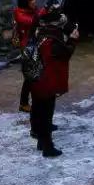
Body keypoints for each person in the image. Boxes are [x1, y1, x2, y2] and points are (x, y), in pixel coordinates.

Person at [29, 8, 79, 157]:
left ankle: (41, 141)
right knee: (46, 113)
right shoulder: (52, 39)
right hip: (46, 81)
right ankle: (47, 147)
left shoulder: (40, 34)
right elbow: (65, 53)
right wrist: (73, 39)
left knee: (38, 109)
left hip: (36, 78)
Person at [13, 0, 43, 113]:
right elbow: (31, 22)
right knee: (30, 77)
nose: (34, 1)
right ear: (26, 2)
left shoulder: (33, 11)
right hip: (27, 48)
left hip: (35, 46)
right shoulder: (19, 13)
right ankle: (24, 103)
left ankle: (28, 102)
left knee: (34, 75)